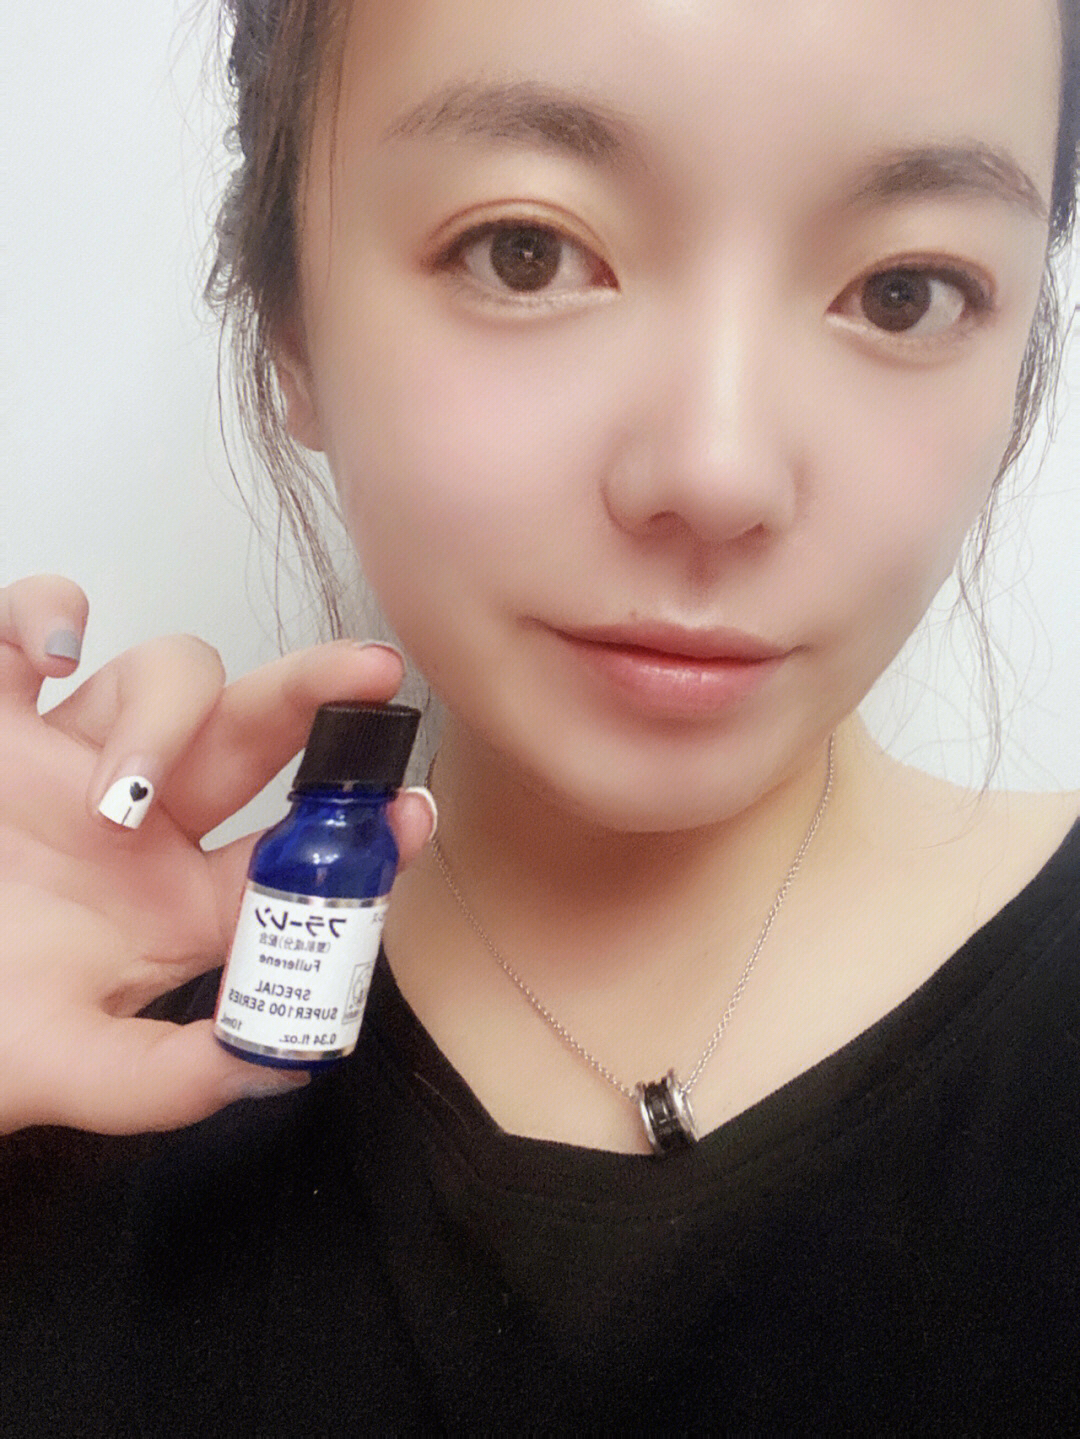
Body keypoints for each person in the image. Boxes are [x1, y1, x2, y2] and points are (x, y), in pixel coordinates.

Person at [2, 0, 1079, 1430]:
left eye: (905, 291)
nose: (717, 471)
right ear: (289, 323)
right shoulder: (73, 1059)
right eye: (526, 251)